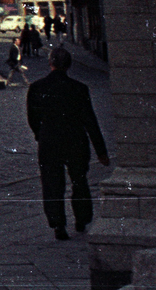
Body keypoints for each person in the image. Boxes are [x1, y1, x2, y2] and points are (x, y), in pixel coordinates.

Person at [28, 46, 109, 240]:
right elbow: (90, 121)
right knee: (79, 181)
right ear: (69, 65)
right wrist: (101, 151)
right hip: (75, 140)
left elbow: (32, 118)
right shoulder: (79, 88)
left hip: (49, 142)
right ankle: (82, 219)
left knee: (52, 184)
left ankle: (58, 225)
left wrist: (41, 134)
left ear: (51, 63)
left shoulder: (37, 87)